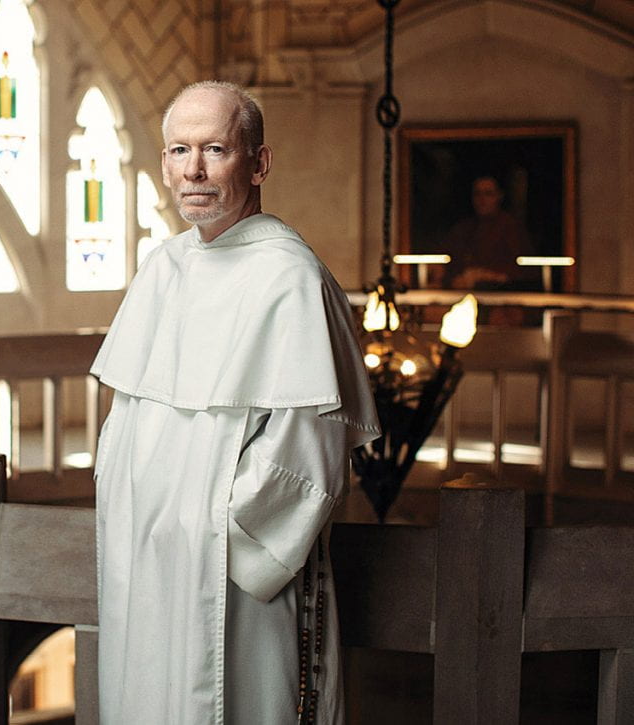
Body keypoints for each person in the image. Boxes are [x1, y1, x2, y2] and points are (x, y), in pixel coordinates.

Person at [90, 81, 381, 724]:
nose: (193, 169)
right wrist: (132, 508)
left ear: (258, 163)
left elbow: (308, 450)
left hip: (233, 579)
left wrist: (213, 532)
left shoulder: (291, 276)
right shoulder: (161, 268)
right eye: (178, 150)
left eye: (215, 148)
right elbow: (126, 422)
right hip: (145, 564)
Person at [437, 175, 537, 291]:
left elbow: (522, 271)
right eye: (477, 194)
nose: (482, 200)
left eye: (488, 194)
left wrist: (485, 275)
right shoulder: (463, 229)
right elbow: (447, 261)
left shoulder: (511, 227)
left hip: (503, 297)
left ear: (499, 196)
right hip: (463, 296)